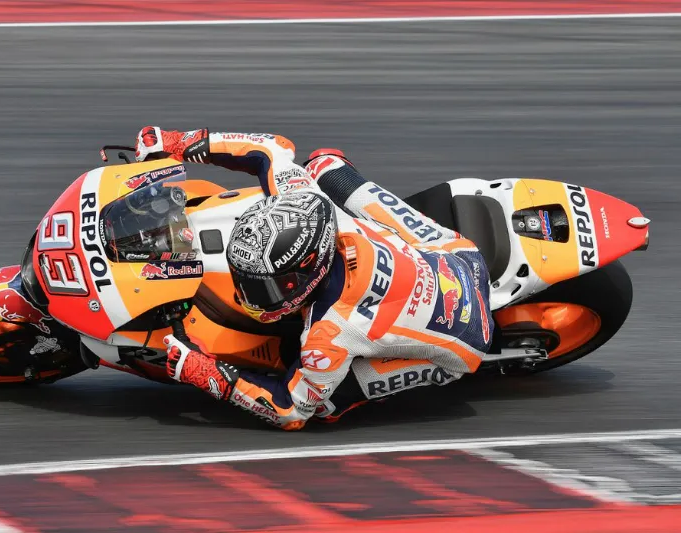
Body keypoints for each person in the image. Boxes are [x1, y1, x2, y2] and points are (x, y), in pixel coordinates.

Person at [134, 126, 493, 430]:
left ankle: (392, 378)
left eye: (266, 286)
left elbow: (290, 411)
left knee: (324, 404)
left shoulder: (328, 335)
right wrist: (179, 143)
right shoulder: (303, 199)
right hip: (455, 252)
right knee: (324, 164)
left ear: (308, 271)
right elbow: (271, 149)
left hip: (467, 336)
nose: (248, 295)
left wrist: (207, 374)